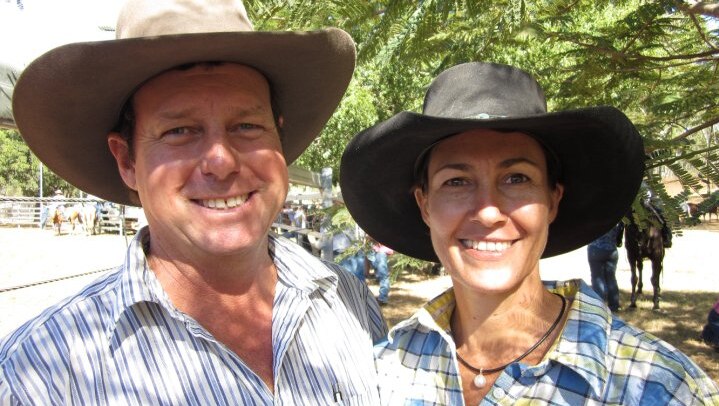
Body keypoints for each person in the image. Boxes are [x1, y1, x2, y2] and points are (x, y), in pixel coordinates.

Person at [0, 0, 386, 404]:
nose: (221, 161)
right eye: (180, 130)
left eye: (248, 126)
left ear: (279, 139)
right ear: (127, 160)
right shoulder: (41, 376)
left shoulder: (348, 300)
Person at [340, 62, 719, 404]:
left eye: (517, 178)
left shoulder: (661, 389)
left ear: (552, 200)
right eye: (456, 181)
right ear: (425, 205)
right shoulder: (382, 374)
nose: (488, 212)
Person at [587, 222, 624, 312]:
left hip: (596, 249)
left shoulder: (595, 218)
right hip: (612, 250)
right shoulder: (616, 217)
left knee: (597, 278)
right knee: (611, 278)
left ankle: (599, 305)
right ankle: (614, 305)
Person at [367, 237, 394, 305]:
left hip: (381, 251)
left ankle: (383, 299)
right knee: (378, 275)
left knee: (383, 276)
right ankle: (381, 296)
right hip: (373, 251)